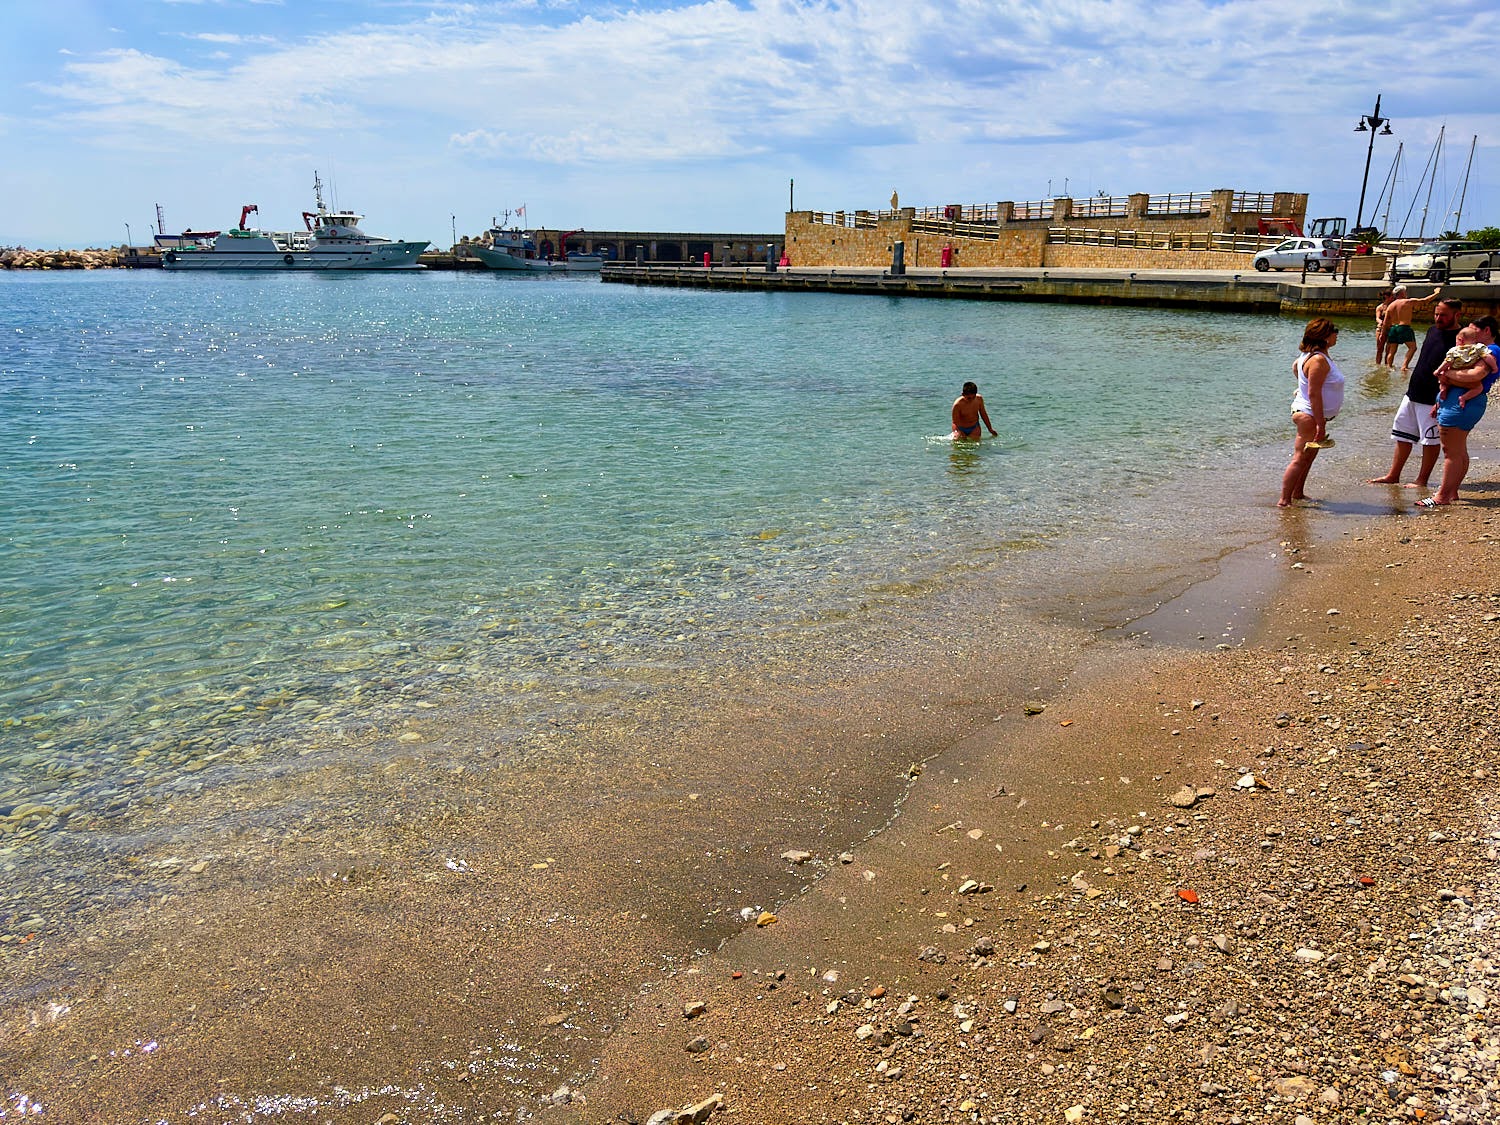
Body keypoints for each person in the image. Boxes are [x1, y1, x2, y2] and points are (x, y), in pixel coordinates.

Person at [1367, 298, 1462, 488]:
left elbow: (1459, 371)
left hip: (1433, 397)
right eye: (1436, 314)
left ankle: (1422, 480)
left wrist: (1442, 399)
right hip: (1413, 391)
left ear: (1457, 315)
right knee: (1402, 435)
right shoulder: (1432, 330)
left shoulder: (1460, 338)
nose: (1438, 318)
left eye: (1443, 315)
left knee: (1430, 440)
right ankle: (1393, 475)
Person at [1418, 315, 1500, 509]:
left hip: (1462, 403)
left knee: (1451, 452)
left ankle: (1442, 496)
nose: (1468, 334)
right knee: (1459, 449)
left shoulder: (1491, 350)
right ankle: (1451, 491)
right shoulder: (1476, 351)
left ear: (1486, 330)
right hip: (1460, 401)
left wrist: (1446, 375)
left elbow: (1475, 376)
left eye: (1474, 330)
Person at [1279, 318, 1346, 508]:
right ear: (1325, 336)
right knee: (1300, 457)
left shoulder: (1310, 356)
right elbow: (1314, 394)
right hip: (1309, 416)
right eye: (1334, 331)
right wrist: (1320, 424)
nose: (1337, 334)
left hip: (1312, 414)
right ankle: (1284, 501)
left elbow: (1296, 369)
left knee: (1309, 456)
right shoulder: (1317, 360)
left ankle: (1298, 493)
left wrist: (1301, 386)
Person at [1431, 324, 1496, 413]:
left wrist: (1438, 370)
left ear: (1460, 340)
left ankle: (1444, 389)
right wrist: (1494, 367)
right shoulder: (1478, 347)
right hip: (1467, 372)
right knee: (1478, 388)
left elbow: (1447, 362)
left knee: (1442, 381)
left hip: (1453, 373)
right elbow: (1487, 357)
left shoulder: (1454, 350)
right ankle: (1464, 397)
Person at [1381, 284, 1443, 370]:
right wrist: (1436, 293)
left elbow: (1385, 322)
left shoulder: (1390, 306)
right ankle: (1404, 366)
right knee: (1413, 348)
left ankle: (1389, 367)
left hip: (1393, 328)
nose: (1406, 293)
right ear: (1402, 293)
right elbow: (1425, 300)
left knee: (1392, 350)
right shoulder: (1407, 301)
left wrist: (1382, 333)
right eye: (1405, 291)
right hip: (1404, 327)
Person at [1374, 288, 1394, 363]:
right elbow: (1377, 318)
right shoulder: (1380, 307)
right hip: (1381, 329)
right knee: (1379, 349)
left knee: (1388, 350)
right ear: (1387, 297)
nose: (1393, 298)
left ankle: (1386, 366)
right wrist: (1381, 322)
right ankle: (1378, 365)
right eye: (1392, 296)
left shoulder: (1393, 306)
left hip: (1390, 329)